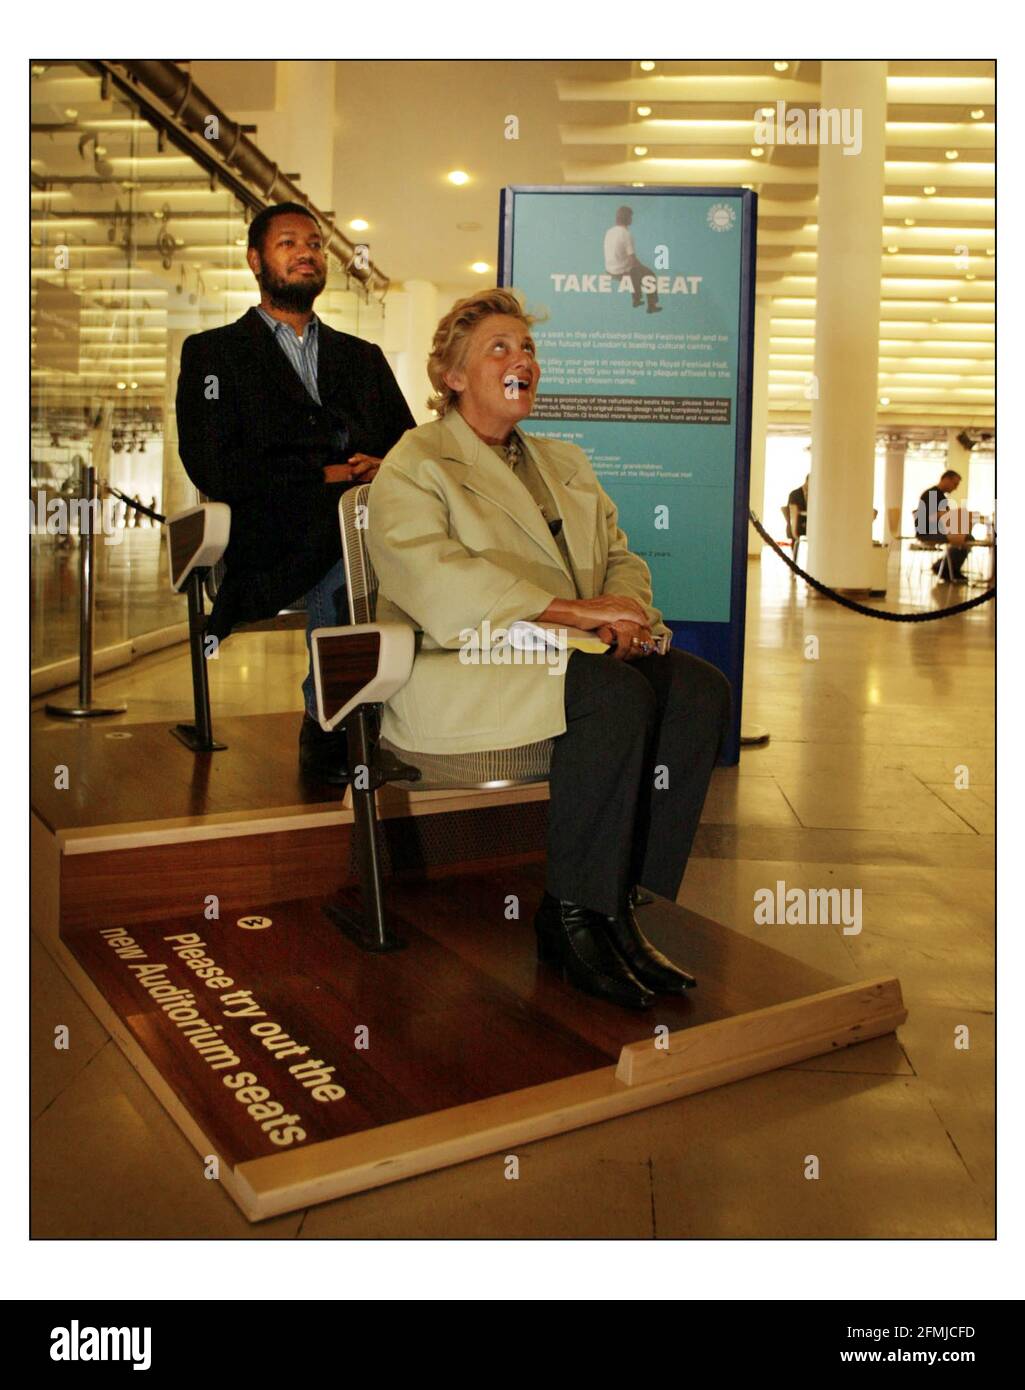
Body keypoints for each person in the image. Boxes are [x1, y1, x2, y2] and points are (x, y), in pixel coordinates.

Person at [367, 289, 731, 1011]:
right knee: (615, 698)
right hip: (467, 662)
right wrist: (571, 615)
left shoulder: (563, 460)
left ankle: (621, 906)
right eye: (497, 349)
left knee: (698, 690)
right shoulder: (416, 463)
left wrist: (626, 613)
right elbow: (436, 582)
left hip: (569, 652)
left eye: (526, 348)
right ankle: (567, 917)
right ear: (451, 375)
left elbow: (620, 556)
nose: (520, 360)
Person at [175, 202, 415, 781]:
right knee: (349, 538)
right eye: (288, 243)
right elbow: (211, 464)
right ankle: (331, 725)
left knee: (371, 534)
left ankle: (372, 719)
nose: (307, 251)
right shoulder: (214, 355)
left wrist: (384, 465)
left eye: (315, 243)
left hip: (364, 522)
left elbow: (409, 449)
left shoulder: (363, 359)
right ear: (256, 260)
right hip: (269, 535)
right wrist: (325, 477)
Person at [915, 469, 971, 583]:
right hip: (927, 532)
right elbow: (937, 517)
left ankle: (944, 566)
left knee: (965, 537)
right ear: (946, 479)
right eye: (955, 484)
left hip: (935, 530)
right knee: (966, 538)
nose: (955, 488)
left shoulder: (940, 496)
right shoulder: (932, 494)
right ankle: (947, 569)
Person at [603, 206, 662, 314]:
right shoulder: (626, 234)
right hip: (620, 271)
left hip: (609, 268)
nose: (632, 219)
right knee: (650, 275)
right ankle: (651, 306)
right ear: (627, 218)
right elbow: (632, 259)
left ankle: (637, 299)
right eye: (631, 217)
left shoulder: (609, 231)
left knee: (637, 271)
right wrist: (642, 267)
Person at [787, 475, 809, 543]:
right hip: (798, 527)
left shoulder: (812, 494)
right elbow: (793, 515)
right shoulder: (795, 494)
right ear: (807, 481)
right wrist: (794, 533)